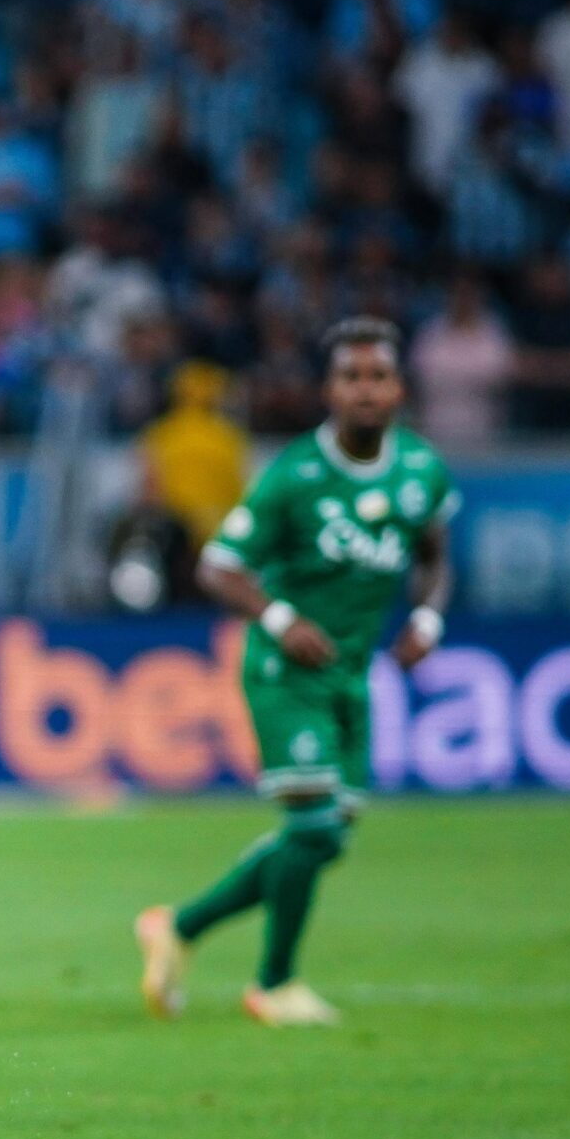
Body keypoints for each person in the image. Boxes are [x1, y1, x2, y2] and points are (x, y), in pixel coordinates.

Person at [138, 318, 457, 1026]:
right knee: (312, 827)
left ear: (399, 387)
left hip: (350, 674)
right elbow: (218, 565)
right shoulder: (294, 476)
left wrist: (428, 619)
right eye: (352, 377)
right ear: (329, 389)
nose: (366, 390)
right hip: (284, 669)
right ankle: (274, 983)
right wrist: (281, 618)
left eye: (379, 376)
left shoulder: (421, 471)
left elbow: (434, 552)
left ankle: (179, 927)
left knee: (327, 836)